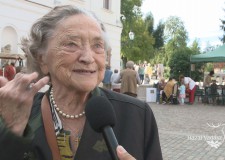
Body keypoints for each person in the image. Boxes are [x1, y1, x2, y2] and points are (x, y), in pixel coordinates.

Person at [0, 5, 162, 160]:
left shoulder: (137, 116)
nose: (88, 57)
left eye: (97, 45)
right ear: (41, 58)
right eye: (71, 44)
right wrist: (12, 132)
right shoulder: (16, 112)